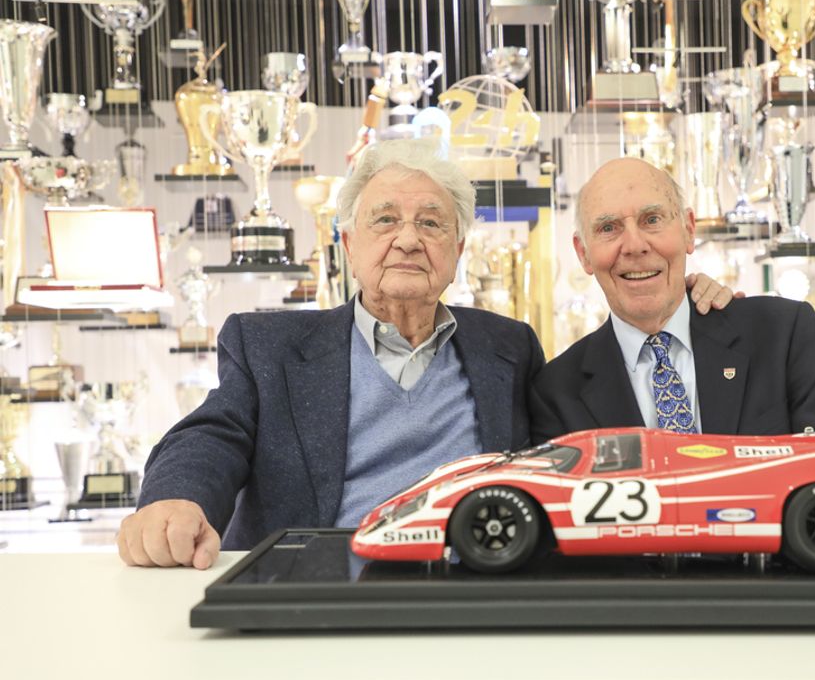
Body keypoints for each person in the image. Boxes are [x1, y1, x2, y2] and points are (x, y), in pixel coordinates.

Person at [117, 140, 735, 570]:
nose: (409, 239)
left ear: (458, 251)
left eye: (432, 224)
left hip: (470, 600)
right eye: (385, 221)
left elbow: (571, 452)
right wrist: (176, 500)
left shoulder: (508, 348)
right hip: (317, 597)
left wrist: (687, 308)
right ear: (349, 245)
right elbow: (210, 435)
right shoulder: (269, 347)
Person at [529, 157, 815, 443]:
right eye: (609, 227)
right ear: (583, 254)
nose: (635, 246)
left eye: (652, 219)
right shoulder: (556, 393)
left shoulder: (780, 334)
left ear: (689, 229)